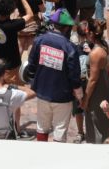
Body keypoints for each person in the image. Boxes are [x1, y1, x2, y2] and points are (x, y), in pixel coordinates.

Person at [25, 8, 84, 142]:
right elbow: (74, 77)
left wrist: (35, 84)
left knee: (41, 128)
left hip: (42, 93)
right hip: (63, 97)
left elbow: (31, 66)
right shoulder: (70, 48)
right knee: (60, 132)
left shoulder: (39, 40)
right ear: (66, 28)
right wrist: (80, 96)